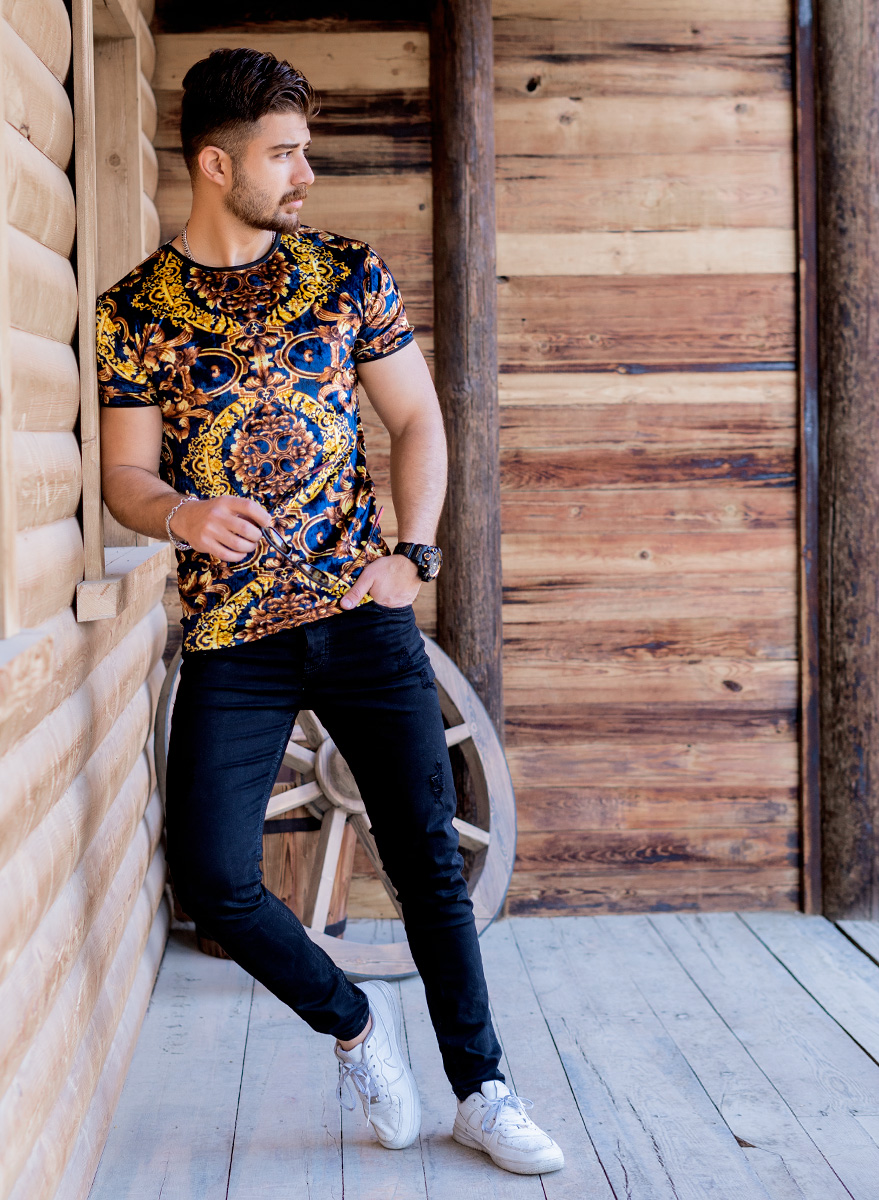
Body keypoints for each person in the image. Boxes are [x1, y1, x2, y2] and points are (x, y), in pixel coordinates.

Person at [95, 47, 564, 1177]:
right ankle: (356, 1024)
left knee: (426, 864)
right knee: (217, 879)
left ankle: (484, 1090)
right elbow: (125, 476)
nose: (305, 173)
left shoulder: (348, 274)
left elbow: (418, 421)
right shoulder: (133, 312)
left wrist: (414, 555)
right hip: (231, 638)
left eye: (304, 151)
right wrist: (180, 512)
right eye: (285, 154)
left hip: (361, 615)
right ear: (218, 165)